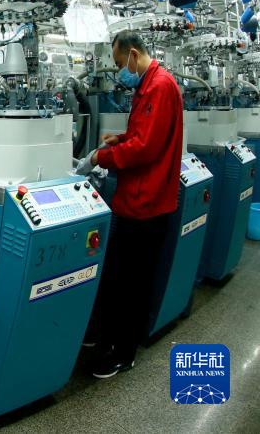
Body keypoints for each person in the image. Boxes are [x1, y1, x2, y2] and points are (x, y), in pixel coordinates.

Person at [75, 30, 183, 378]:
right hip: (135, 200)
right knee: (119, 276)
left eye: (121, 63)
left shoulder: (159, 86)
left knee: (134, 283)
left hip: (148, 204)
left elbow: (145, 149)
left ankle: (124, 352)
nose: (121, 71)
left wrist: (100, 157)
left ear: (134, 54)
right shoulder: (148, 85)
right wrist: (119, 138)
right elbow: (143, 135)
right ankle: (106, 336)